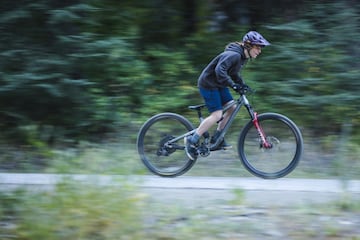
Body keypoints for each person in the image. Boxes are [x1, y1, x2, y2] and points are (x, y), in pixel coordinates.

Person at [185, 31, 271, 160]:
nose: (259, 51)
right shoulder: (234, 55)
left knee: (231, 107)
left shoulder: (242, 57)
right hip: (208, 83)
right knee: (217, 114)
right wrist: (233, 85)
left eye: (260, 48)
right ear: (248, 45)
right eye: (257, 47)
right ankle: (191, 140)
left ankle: (217, 138)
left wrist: (241, 84)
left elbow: (234, 73)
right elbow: (220, 71)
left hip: (218, 83)